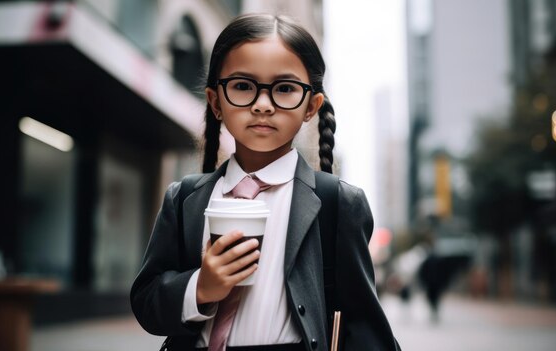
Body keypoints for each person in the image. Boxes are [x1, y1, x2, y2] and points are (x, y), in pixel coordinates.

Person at [130, 13, 400, 351]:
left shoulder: (338, 203)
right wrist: (200, 287)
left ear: (311, 106)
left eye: (285, 88)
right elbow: (146, 303)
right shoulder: (184, 198)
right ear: (215, 102)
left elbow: (364, 327)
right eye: (243, 86)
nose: (262, 105)